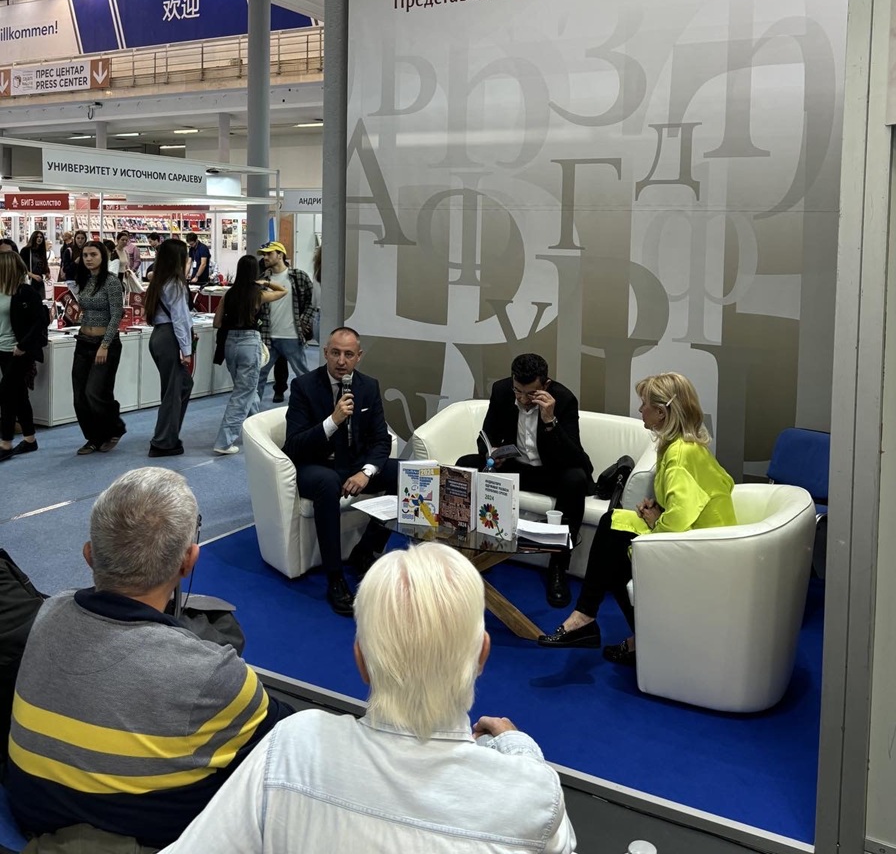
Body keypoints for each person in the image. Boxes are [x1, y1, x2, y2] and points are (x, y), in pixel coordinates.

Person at [156, 542, 577, 854]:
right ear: (482, 654)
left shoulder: (293, 745)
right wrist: (519, 748)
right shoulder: (532, 793)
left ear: (361, 661)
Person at [7, 467, 292, 849]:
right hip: (158, 838)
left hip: (31, 815)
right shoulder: (212, 673)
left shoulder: (50, 612)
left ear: (89, 555)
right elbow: (289, 740)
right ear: (188, 561)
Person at [538, 372, 737, 661]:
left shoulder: (680, 454)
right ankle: (595, 622)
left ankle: (610, 629)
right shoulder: (683, 446)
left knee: (615, 553)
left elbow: (679, 521)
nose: (640, 409)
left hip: (705, 551)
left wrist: (657, 519)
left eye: (644, 404)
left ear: (662, 412)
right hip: (705, 540)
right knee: (611, 524)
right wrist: (659, 511)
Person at [456, 352, 592, 607]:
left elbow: (574, 458)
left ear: (545, 386)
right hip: (515, 468)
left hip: (550, 472)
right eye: (518, 391)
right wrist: (490, 454)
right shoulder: (502, 391)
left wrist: (550, 421)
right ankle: (469, 549)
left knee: (575, 479)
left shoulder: (564, 399)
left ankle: (558, 566)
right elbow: (485, 435)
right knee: (466, 463)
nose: (522, 399)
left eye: (530, 394)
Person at [283, 327, 396, 616]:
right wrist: (332, 421)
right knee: (328, 482)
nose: (341, 361)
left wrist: (367, 472)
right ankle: (335, 577)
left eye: (348, 354)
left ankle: (365, 550)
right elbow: (294, 445)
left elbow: (381, 440)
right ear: (325, 353)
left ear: (359, 356)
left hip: (354, 465)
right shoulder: (304, 386)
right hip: (315, 465)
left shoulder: (368, 386)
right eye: (335, 353)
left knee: (405, 475)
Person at [212, 254, 287, 455]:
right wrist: (266, 283)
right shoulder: (258, 295)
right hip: (249, 343)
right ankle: (224, 441)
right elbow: (283, 291)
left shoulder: (229, 294)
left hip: (230, 344)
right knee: (243, 393)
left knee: (248, 390)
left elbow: (217, 323)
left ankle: (256, 431)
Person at [71, 241, 126, 456]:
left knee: (94, 392)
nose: (88, 258)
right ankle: (93, 438)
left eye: (93, 254)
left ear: (103, 256)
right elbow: (85, 308)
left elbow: (116, 315)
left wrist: (105, 345)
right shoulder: (85, 280)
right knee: (79, 396)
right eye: (85, 255)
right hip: (83, 341)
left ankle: (115, 428)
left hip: (105, 343)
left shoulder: (111, 282)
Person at [145, 238, 193, 457]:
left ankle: (168, 433)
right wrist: (186, 350)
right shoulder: (175, 283)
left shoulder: (159, 281)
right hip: (170, 336)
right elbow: (180, 318)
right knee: (173, 392)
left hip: (159, 335)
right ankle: (163, 441)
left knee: (183, 385)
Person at [0, 251, 46, 463]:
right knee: (19, 394)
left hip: (18, 351)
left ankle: (5, 443)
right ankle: (30, 439)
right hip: (2, 350)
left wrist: (23, 345)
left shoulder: (25, 292)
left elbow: (39, 322)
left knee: (6, 394)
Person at [256, 241, 314, 403]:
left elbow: (312, 301)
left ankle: (313, 406)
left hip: (292, 336)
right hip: (267, 337)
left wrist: (304, 320)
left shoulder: (298, 276)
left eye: (269, 253)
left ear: (280, 255)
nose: (265, 257)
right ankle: (252, 411)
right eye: (264, 254)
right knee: (259, 375)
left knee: (303, 374)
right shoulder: (263, 279)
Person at [21, 231, 50, 299]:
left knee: (40, 300)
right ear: (33, 238)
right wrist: (32, 275)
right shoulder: (26, 250)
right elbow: (20, 266)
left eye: (41, 237)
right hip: (29, 280)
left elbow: (43, 264)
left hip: (39, 280)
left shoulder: (41, 251)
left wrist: (47, 272)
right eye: (37, 237)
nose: (39, 239)